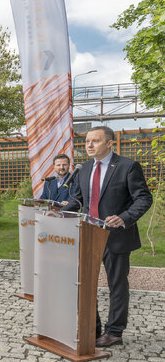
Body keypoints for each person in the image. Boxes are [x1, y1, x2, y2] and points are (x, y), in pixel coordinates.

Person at [63, 126, 152, 347]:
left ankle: (114, 332)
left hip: (116, 237)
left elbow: (143, 198)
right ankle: (91, 329)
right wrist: (62, 208)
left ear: (110, 143)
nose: (89, 146)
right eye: (87, 142)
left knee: (117, 285)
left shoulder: (127, 167)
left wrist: (124, 217)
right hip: (88, 235)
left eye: (95, 141)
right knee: (83, 283)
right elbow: (80, 200)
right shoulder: (83, 169)